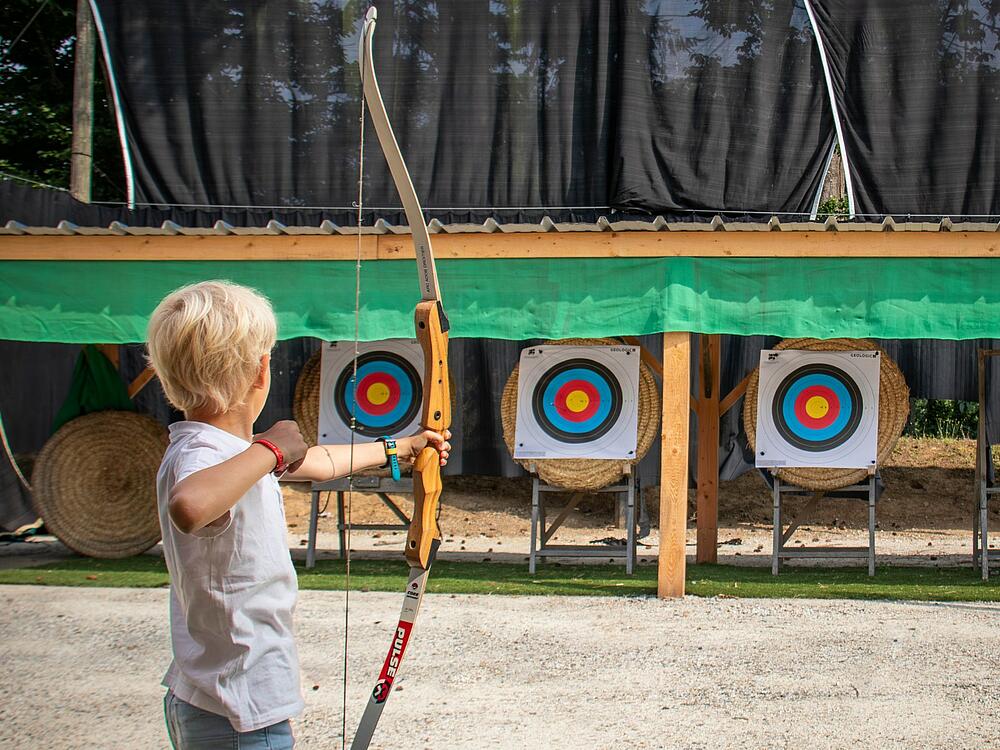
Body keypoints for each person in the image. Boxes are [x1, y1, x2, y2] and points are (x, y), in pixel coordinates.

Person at [146, 280, 451, 749]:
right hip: (238, 712)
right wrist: (269, 449)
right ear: (261, 370)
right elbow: (190, 505)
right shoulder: (205, 455)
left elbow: (322, 463)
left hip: (212, 698)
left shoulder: (229, 451)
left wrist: (401, 448)